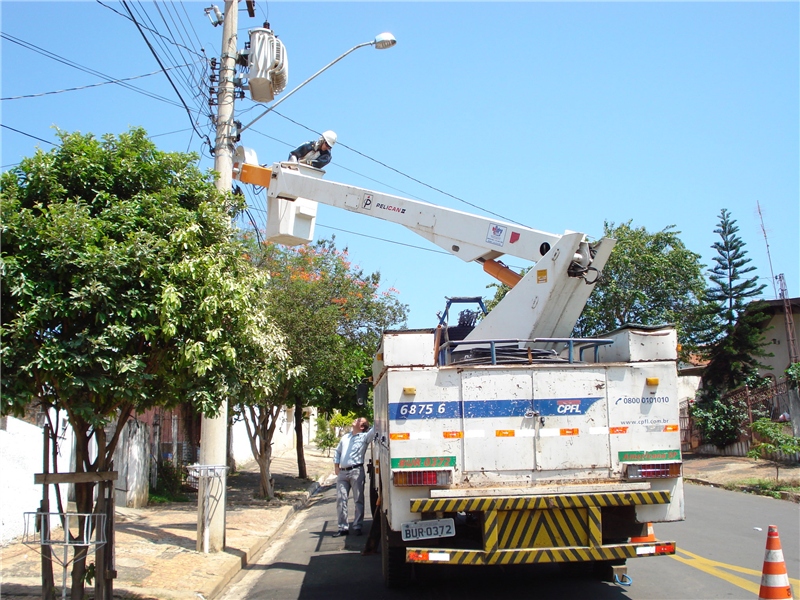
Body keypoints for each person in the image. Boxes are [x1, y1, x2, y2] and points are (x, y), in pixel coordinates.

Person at [332, 417, 377, 537]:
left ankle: (357, 526)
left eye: (359, 421)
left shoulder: (364, 437)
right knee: (341, 499)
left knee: (358, 499)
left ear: (362, 427)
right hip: (343, 472)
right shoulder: (345, 437)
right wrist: (336, 466)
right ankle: (343, 527)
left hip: (356, 471)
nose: (355, 420)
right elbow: (338, 451)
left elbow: (375, 429)